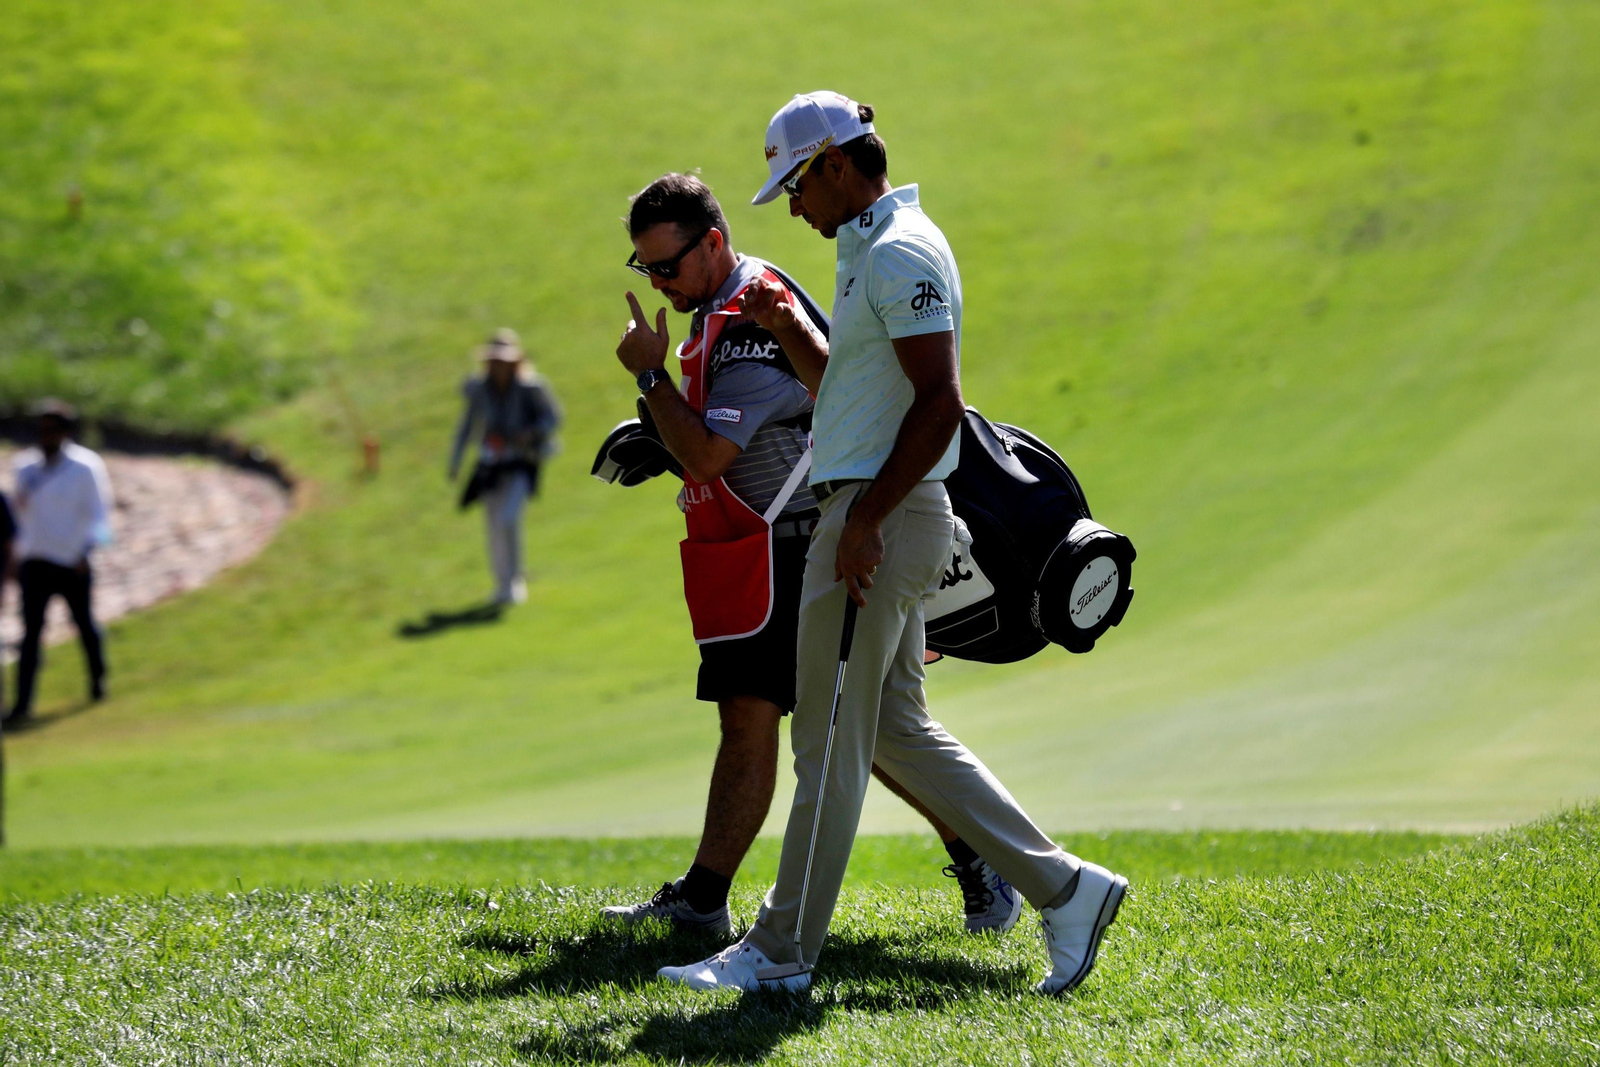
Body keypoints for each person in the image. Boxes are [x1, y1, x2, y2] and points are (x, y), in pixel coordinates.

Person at [658, 93, 1128, 995]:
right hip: (879, 509)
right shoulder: (867, 248)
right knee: (899, 733)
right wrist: (786, 327)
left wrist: (865, 522)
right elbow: (853, 394)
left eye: (797, 187)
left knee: (828, 742)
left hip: (880, 515)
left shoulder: (899, 250)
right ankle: (1069, 891)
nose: (794, 207)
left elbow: (938, 402)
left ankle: (780, 951)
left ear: (836, 164)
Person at [603, 173, 1020, 937]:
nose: (658, 281)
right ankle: (704, 897)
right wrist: (659, 436)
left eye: (666, 264)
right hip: (768, 547)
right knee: (767, 715)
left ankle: (987, 859)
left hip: (798, 548)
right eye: (645, 267)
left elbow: (709, 454)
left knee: (863, 727)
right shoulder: (731, 306)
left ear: (713, 243)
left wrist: (651, 377)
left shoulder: (748, 319)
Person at [4, 400, 113, 727]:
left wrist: (86, 551)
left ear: (66, 432)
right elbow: (18, 516)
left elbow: (99, 514)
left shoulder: (85, 467)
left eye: (52, 429)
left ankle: (98, 683)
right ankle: (22, 705)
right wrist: (16, 555)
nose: (45, 435)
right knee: (30, 634)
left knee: (84, 623)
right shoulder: (25, 467)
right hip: (35, 561)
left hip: (72, 561)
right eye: (41, 429)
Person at [448, 329, 561, 606]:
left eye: (504, 361)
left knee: (509, 518)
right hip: (491, 464)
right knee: (493, 524)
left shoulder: (531, 388)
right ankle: (502, 584)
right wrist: (456, 460)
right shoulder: (479, 390)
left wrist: (531, 433)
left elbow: (553, 417)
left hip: (522, 461)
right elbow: (467, 426)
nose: (498, 366)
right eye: (494, 361)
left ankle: (515, 581)